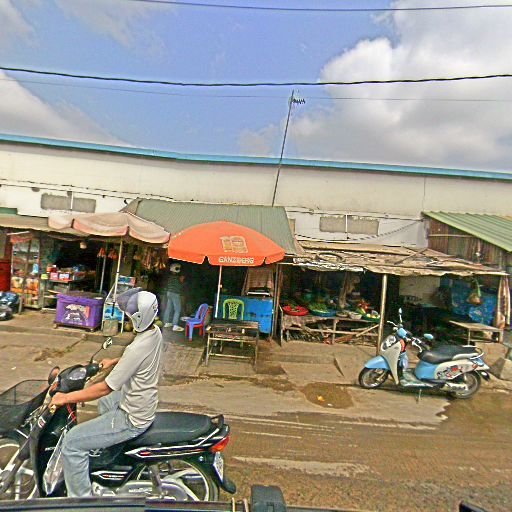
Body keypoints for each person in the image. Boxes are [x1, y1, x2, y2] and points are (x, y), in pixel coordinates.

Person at [49, 287, 163, 498]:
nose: (127, 318)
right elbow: (137, 360)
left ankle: (81, 501)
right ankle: (109, 449)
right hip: (141, 402)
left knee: (72, 443)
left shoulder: (136, 348)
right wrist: (114, 361)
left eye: (130, 315)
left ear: (139, 318)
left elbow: (104, 388)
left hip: (132, 417)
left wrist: (65, 397)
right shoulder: (154, 333)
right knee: (106, 404)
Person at [162, 262, 185, 332]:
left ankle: (166, 322)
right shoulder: (177, 278)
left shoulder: (170, 277)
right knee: (177, 309)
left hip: (169, 293)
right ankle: (175, 325)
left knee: (168, 308)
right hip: (175, 294)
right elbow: (180, 285)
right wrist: (182, 280)